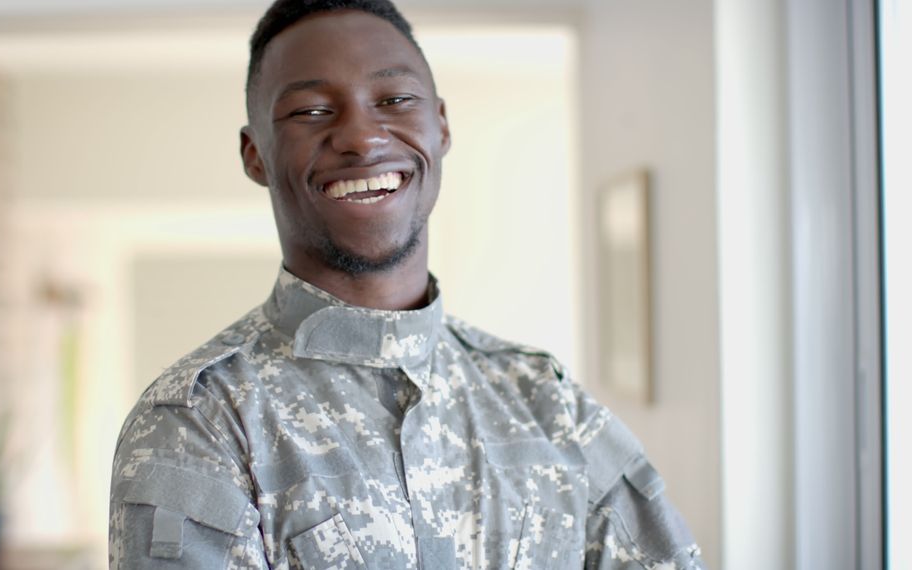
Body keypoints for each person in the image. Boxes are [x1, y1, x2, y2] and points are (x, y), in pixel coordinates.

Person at [108, 0, 705, 568]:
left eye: (393, 99)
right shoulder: (202, 422)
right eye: (312, 111)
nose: (361, 137)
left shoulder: (545, 402)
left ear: (440, 125)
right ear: (254, 154)